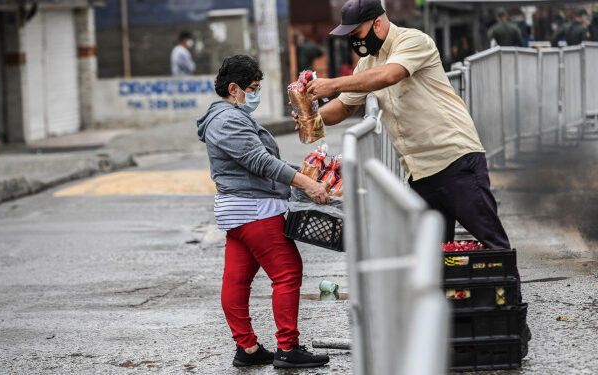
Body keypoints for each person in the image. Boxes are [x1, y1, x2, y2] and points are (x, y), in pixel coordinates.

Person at [301, 0, 511, 250]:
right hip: (418, 172)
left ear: (377, 23)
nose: (354, 42)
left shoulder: (413, 41)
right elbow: (344, 107)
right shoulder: (367, 64)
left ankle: (508, 290)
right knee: (429, 256)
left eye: (356, 34)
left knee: (493, 243)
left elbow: (391, 74)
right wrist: (311, 116)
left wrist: (333, 84)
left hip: (454, 159)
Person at [196, 55, 330, 369]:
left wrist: (309, 174)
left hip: (242, 211)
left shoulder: (230, 117)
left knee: (237, 279)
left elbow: (264, 164)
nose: (255, 94)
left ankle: (248, 349)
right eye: (252, 88)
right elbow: (262, 163)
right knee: (287, 272)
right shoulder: (228, 120)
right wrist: (306, 184)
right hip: (254, 210)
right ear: (233, 88)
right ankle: (288, 348)